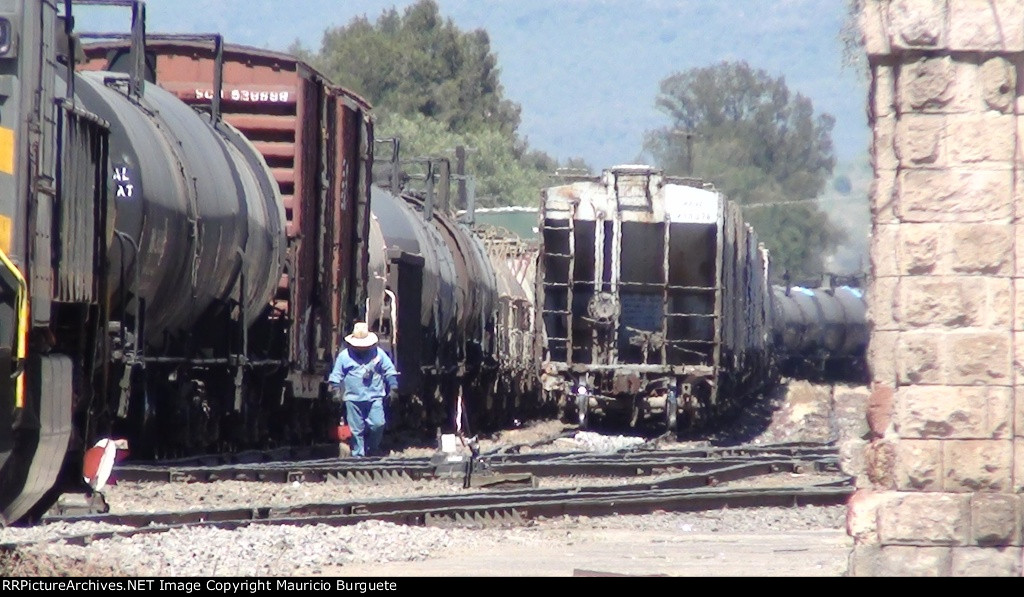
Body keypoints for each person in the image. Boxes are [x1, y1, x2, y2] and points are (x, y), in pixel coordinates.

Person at [327, 322, 399, 457]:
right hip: (353, 399)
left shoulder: (378, 354)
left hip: (375, 396)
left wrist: (393, 387)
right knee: (356, 430)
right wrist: (336, 391)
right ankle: (358, 455)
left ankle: (373, 448)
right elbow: (336, 375)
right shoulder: (344, 356)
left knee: (378, 424)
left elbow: (389, 370)